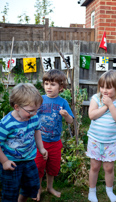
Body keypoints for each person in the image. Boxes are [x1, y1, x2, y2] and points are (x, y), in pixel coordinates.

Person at [0, 83, 48, 202]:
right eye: (31, 110)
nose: (34, 114)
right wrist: (5, 161)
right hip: (12, 163)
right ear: (17, 107)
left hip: (29, 160)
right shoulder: (6, 124)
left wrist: (41, 148)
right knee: (10, 192)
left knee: (31, 186)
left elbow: (37, 131)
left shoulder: (33, 117)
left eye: (37, 110)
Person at [86, 69, 116, 202]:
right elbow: (92, 115)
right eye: (102, 86)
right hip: (95, 140)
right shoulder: (96, 98)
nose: (104, 90)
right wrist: (105, 106)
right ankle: (92, 191)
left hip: (110, 142)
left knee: (109, 168)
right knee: (95, 166)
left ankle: (109, 190)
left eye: (108, 88)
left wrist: (111, 105)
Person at [34, 69, 74, 201]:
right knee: (39, 166)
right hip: (40, 142)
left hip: (55, 142)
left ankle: (49, 187)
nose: (48, 87)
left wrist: (67, 115)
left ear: (61, 87)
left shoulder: (63, 103)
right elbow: (31, 116)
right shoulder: (39, 100)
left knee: (53, 166)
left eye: (52, 84)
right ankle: (38, 189)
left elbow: (71, 121)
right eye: (46, 84)